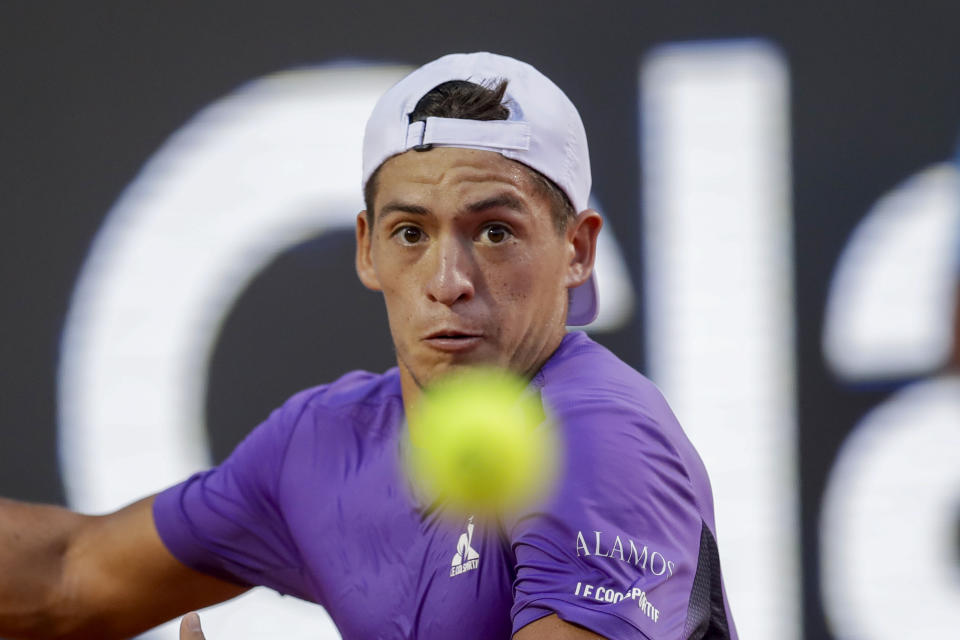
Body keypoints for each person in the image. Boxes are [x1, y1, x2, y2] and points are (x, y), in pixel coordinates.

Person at [0, 52, 737, 640]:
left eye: (494, 231)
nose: (448, 281)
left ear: (576, 249)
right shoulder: (320, 444)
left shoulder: (603, 440)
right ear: (367, 250)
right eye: (411, 233)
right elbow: (67, 580)